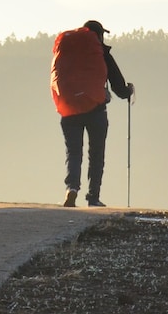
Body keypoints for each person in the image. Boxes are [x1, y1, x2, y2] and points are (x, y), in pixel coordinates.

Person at [56, 20, 134, 207]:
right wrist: (128, 91)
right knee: (96, 154)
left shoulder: (66, 52)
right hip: (95, 110)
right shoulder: (100, 53)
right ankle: (93, 197)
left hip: (69, 109)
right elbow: (117, 84)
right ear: (97, 35)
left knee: (74, 152)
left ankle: (72, 188)